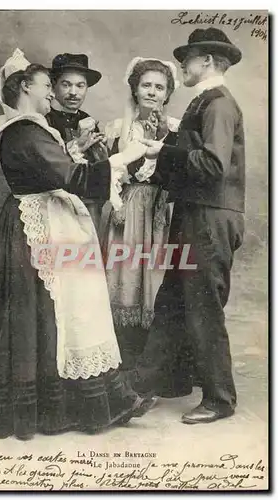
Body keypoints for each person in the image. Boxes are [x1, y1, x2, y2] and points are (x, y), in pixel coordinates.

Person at [0, 49, 152, 440]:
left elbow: (58, 170)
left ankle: (66, 406)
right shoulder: (24, 129)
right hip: (36, 226)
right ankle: (55, 410)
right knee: (50, 312)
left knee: (54, 313)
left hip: (44, 220)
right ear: (25, 86)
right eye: (45, 87)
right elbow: (70, 176)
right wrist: (126, 156)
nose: (51, 95)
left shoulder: (30, 127)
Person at [136, 28, 245, 423]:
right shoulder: (208, 101)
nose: (182, 65)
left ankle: (219, 399)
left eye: (189, 59)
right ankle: (147, 386)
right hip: (196, 213)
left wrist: (162, 151)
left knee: (203, 307)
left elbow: (213, 166)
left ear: (209, 62)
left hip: (210, 216)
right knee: (171, 301)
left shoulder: (217, 104)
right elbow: (198, 160)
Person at [100, 57, 180, 382]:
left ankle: (151, 370)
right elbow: (110, 172)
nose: (152, 91)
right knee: (124, 279)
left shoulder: (174, 128)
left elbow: (176, 174)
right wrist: (115, 198)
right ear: (135, 89)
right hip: (128, 208)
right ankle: (121, 364)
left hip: (158, 211)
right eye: (146, 85)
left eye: (159, 87)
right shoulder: (118, 128)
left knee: (156, 281)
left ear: (167, 94)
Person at [46, 53, 105, 230]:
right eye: (66, 85)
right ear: (54, 86)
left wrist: (101, 154)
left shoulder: (89, 120)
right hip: (55, 206)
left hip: (87, 206)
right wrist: (77, 144)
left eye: (80, 86)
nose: (74, 92)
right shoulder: (44, 120)